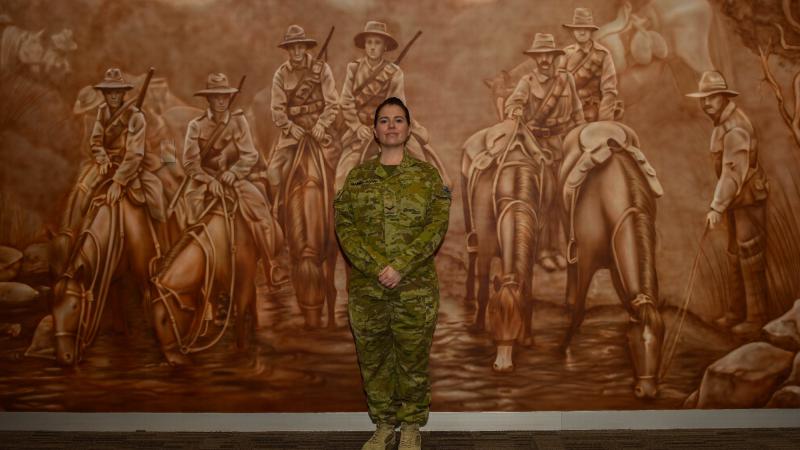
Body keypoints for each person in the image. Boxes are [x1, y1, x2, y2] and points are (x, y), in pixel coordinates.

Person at [334, 97, 450, 450]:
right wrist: (375, 268)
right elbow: (345, 227)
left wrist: (400, 266)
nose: (392, 126)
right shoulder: (357, 178)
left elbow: (435, 227)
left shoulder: (428, 177)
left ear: (408, 128)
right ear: (374, 131)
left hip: (415, 288)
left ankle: (412, 426)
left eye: (399, 120)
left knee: (413, 359)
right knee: (374, 360)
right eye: (384, 121)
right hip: (368, 291)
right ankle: (384, 425)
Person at [183, 72, 289, 286]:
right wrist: (207, 180)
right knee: (186, 216)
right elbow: (189, 163)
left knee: (260, 210)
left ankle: (271, 264)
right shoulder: (196, 125)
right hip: (204, 181)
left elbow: (250, 155)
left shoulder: (238, 121)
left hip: (233, 179)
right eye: (216, 97)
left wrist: (235, 172)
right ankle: (188, 273)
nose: (221, 101)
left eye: (224, 96)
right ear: (209, 99)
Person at [687, 70, 769, 335]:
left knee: (749, 254)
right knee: (735, 253)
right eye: (703, 98)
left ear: (724, 97)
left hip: (747, 200)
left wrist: (716, 207)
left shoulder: (735, 128)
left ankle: (755, 319)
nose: (706, 103)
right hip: (736, 200)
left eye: (712, 97)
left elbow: (733, 173)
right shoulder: (722, 122)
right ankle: (736, 314)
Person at [335, 20, 449, 191]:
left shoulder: (394, 72)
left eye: (377, 42)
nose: (373, 47)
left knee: (420, 159)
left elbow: (395, 103)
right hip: (359, 130)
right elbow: (346, 101)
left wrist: (382, 126)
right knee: (341, 179)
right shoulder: (353, 69)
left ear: (385, 47)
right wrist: (357, 127)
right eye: (369, 42)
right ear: (364, 46)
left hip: (388, 124)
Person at [505, 32, 585, 271]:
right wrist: (516, 108)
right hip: (535, 147)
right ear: (535, 58)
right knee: (541, 199)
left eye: (548, 55)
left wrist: (582, 139)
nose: (544, 60)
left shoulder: (566, 80)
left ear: (554, 56)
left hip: (562, 145)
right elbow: (512, 103)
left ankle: (556, 250)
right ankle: (540, 252)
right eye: (540, 56)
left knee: (562, 200)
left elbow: (577, 112)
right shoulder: (527, 82)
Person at [268, 24, 339, 215]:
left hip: (320, 128)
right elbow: (277, 109)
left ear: (305, 47)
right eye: (292, 47)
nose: (297, 51)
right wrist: (289, 127)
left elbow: (333, 102)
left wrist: (322, 124)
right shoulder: (281, 74)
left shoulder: (322, 69)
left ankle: (342, 213)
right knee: (273, 171)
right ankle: (277, 211)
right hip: (294, 132)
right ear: (287, 50)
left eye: (300, 46)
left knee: (340, 167)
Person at [560, 7, 619, 122]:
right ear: (573, 31)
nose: (582, 32)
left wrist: (604, 121)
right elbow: (558, 84)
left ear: (591, 31)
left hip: (590, 111)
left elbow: (609, 90)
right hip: (566, 111)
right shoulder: (565, 54)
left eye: (586, 29)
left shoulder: (603, 54)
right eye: (578, 29)